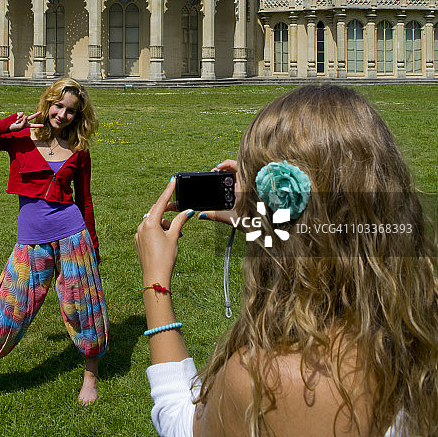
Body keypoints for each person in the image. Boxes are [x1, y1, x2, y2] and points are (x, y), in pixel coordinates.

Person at [136, 85, 438, 437]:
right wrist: (263, 220)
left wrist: (155, 282)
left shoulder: (276, 378)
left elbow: (180, 423)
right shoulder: (419, 319)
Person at [0, 78, 109, 416]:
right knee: (8, 310)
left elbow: (86, 201)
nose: (63, 115)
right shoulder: (21, 138)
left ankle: (90, 377)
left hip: (73, 237)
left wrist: (93, 247)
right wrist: (7, 124)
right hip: (31, 241)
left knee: (85, 309)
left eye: (71, 110)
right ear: (48, 102)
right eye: (59, 106)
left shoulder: (79, 148)